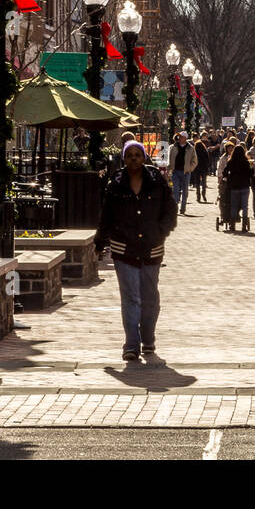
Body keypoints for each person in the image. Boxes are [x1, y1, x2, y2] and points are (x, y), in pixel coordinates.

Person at [97, 140, 177, 361]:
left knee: (150, 298)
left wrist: (161, 232)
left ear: (144, 157)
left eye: (137, 154)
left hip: (152, 248)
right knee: (131, 297)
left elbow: (170, 210)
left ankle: (148, 338)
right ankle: (131, 345)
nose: (133, 158)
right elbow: (106, 215)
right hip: (124, 249)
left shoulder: (156, 181)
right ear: (124, 158)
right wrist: (100, 242)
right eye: (129, 155)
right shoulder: (116, 184)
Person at [222, 143, 254, 233]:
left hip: (234, 186)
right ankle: (244, 225)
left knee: (234, 206)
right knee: (244, 206)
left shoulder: (230, 162)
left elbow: (224, 172)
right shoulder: (246, 162)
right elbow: (251, 174)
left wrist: (228, 177)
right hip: (244, 186)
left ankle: (232, 225)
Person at [166, 131, 196, 215]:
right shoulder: (172, 147)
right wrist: (168, 168)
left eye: (182, 137)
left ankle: (183, 208)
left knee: (185, 191)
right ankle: (175, 208)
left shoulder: (190, 148)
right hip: (175, 172)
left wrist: (190, 168)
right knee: (175, 189)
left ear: (185, 138)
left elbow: (194, 161)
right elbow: (169, 159)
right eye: (179, 136)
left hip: (186, 172)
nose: (180, 138)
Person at [191, 135, 210, 203]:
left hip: (196, 169)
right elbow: (207, 161)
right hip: (203, 169)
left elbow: (192, 160)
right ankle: (203, 194)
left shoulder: (194, 152)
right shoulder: (205, 151)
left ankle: (198, 196)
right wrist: (207, 168)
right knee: (204, 183)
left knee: (197, 183)